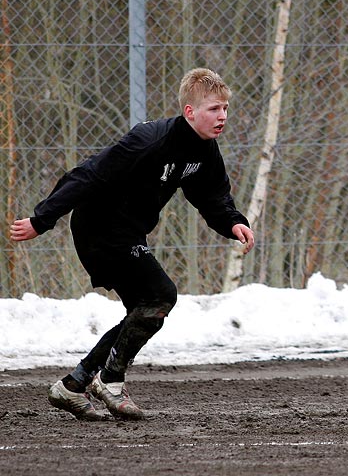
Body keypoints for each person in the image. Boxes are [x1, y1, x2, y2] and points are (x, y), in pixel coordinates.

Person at [9, 68, 255, 421]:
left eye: (226, 109)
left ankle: (74, 385)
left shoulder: (205, 151)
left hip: (127, 232)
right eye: (215, 109)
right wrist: (42, 219)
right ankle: (109, 380)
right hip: (99, 227)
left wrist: (234, 222)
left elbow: (213, 195)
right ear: (190, 112)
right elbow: (88, 174)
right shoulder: (150, 141)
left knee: (143, 310)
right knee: (160, 295)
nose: (223, 117)